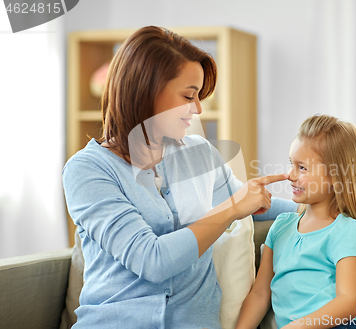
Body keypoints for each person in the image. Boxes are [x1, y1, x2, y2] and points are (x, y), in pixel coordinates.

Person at [62, 26, 296, 329]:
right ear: (146, 90)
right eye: (189, 95)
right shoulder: (88, 170)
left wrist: (330, 205)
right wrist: (232, 209)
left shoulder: (197, 152)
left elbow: (255, 204)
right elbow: (152, 260)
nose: (197, 109)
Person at [236, 115, 356, 329]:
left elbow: (347, 303)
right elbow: (260, 294)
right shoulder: (281, 226)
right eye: (292, 164)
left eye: (302, 168)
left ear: (335, 176)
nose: (291, 175)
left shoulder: (348, 230)